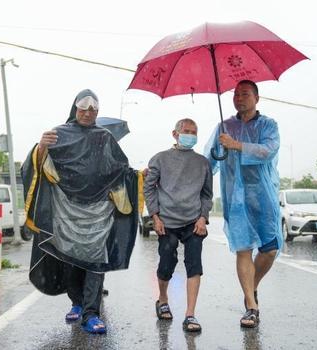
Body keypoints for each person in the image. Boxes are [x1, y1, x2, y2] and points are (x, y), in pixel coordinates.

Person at [21, 89, 138, 335]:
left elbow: (120, 169)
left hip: (98, 212)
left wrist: (138, 177)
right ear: (75, 109)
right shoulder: (58, 134)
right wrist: (41, 147)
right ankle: (76, 301)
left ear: (98, 111)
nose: (88, 113)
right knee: (71, 259)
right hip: (66, 210)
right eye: (83, 108)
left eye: (93, 109)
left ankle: (91, 314)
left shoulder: (105, 137)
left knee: (95, 262)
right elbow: (37, 166)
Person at [205, 79, 282, 329]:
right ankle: (251, 305)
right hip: (235, 198)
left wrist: (236, 145)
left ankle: (252, 286)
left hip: (263, 196)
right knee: (243, 249)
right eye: (236, 94)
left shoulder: (269, 125)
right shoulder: (224, 127)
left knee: (270, 249)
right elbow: (210, 161)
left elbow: (267, 151)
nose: (239, 98)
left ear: (256, 98)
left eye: (245, 94)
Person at [144, 118, 213, 333]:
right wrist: (155, 216)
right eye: (186, 131)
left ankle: (190, 315)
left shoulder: (202, 162)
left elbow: (207, 194)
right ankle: (163, 299)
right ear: (175, 134)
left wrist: (203, 217)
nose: (190, 135)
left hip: (193, 221)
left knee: (194, 265)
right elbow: (149, 188)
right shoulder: (160, 159)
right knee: (167, 262)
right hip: (167, 221)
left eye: (194, 132)